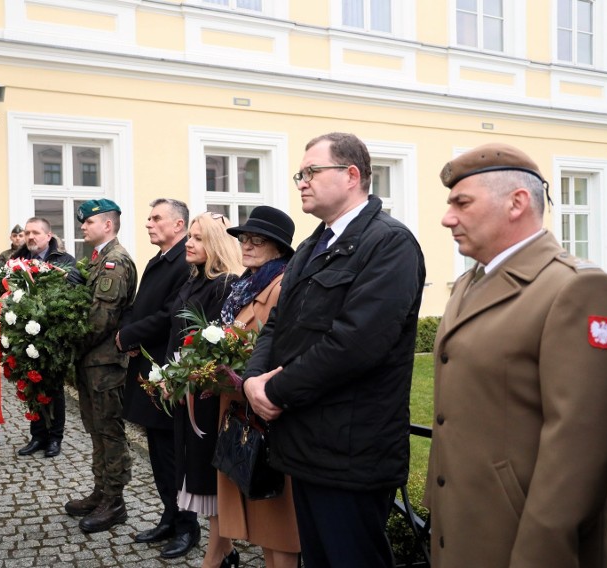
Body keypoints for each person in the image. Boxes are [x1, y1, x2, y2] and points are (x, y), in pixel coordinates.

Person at [425, 143, 607, 568]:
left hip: (523, 541)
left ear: (516, 203)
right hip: (462, 526)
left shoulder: (576, 289)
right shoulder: (470, 283)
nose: (447, 218)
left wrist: (541, 552)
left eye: (462, 203)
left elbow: (581, 446)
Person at [241, 132, 426, 568]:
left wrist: (276, 391)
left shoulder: (389, 243)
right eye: (299, 175)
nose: (301, 182)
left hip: (351, 449)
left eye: (311, 172)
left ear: (352, 175)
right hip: (306, 443)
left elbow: (356, 343)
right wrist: (252, 379)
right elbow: (277, 325)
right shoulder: (312, 244)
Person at [218, 206, 300, 568]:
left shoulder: (283, 287)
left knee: (278, 524)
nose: (246, 245)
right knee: (262, 523)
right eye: (244, 239)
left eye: (257, 240)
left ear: (278, 249)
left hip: (267, 419)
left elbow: (283, 352)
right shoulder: (245, 284)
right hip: (241, 414)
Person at [162, 211, 242, 563]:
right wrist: (168, 374)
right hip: (187, 391)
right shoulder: (194, 279)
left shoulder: (224, 284)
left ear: (216, 243)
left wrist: (182, 376)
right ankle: (226, 551)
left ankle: (216, 557)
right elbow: (175, 332)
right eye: (189, 236)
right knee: (195, 474)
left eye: (197, 237)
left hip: (207, 397)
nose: (189, 243)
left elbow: (214, 348)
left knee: (209, 481)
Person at [116, 198, 192, 546]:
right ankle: (169, 517)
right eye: (148, 217)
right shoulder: (157, 260)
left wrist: (130, 335)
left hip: (167, 371)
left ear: (179, 225)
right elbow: (140, 305)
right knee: (160, 453)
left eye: (156, 218)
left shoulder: (184, 263)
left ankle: (187, 526)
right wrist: (127, 332)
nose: (148, 223)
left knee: (175, 455)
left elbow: (169, 316)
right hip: (147, 365)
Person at [64, 199, 137, 534]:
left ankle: (115, 501)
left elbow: (101, 320)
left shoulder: (115, 262)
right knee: (96, 429)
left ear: (108, 225)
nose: (83, 226)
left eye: (89, 221)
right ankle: (101, 490)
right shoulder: (98, 260)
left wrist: (69, 344)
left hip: (106, 363)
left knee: (109, 431)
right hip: (92, 362)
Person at [10, 217, 76, 458]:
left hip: (52, 335)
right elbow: (4, 292)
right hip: (23, 335)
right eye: (27, 232)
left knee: (54, 388)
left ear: (48, 236)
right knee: (31, 385)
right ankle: (37, 435)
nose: (30, 237)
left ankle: (55, 438)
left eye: (36, 232)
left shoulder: (64, 261)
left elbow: (73, 294)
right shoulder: (16, 261)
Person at [0, 224, 24, 303]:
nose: (17, 238)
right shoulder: (4, 254)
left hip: (23, 292)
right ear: (11, 238)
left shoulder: (29, 254)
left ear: (25, 237)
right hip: (5, 292)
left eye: (20, 236)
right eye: (14, 236)